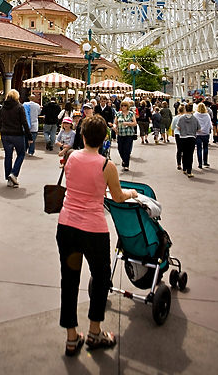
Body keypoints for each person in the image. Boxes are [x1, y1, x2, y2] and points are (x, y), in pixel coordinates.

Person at [57, 114, 137, 355]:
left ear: (82, 136)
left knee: (69, 280)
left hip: (67, 225)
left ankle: (72, 337)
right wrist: (132, 193)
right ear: (104, 139)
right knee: (101, 278)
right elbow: (118, 196)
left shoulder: (70, 158)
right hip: (93, 229)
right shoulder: (107, 165)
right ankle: (94, 332)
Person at [0, 89, 32, 188]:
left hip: (5, 134)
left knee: (8, 156)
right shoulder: (19, 107)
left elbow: (0, 120)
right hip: (17, 134)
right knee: (21, 154)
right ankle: (14, 174)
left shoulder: (3, 107)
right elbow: (24, 123)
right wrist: (29, 136)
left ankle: (9, 179)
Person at [114, 99, 138, 173]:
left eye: (125, 106)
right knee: (120, 149)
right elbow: (115, 122)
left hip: (128, 134)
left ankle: (126, 164)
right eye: (122, 106)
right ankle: (124, 160)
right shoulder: (118, 114)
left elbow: (135, 123)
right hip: (120, 134)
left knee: (127, 149)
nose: (123, 107)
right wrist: (114, 127)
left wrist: (127, 123)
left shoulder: (131, 113)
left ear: (127, 107)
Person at [176, 103, 199, 177]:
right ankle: (189, 171)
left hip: (183, 137)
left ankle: (184, 168)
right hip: (191, 137)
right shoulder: (195, 118)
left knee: (184, 153)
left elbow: (178, 127)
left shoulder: (181, 118)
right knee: (190, 154)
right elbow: (199, 128)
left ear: (185, 109)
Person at [194, 103, 212, 169]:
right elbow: (210, 124)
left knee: (199, 149)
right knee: (205, 148)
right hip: (205, 134)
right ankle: (205, 161)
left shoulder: (195, 115)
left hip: (198, 134)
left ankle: (200, 163)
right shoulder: (207, 115)